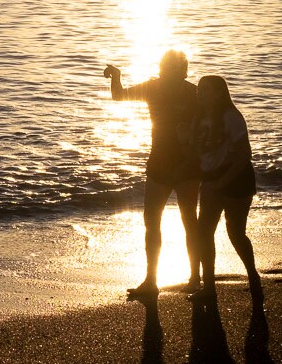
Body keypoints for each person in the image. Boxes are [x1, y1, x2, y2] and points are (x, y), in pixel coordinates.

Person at [104, 50, 201, 299]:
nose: (172, 73)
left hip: (187, 165)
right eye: (169, 68)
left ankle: (194, 278)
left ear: (183, 70)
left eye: (176, 69)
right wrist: (117, 75)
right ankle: (152, 280)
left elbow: (209, 125)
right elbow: (119, 96)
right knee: (153, 222)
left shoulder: (193, 94)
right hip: (161, 163)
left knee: (188, 220)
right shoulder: (155, 88)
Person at [192, 75, 261, 304]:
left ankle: (252, 275)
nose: (201, 94)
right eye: (199, 90)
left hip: (237, 180)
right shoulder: (199, 118)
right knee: (203, 233)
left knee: (236, 234)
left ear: (220, 93)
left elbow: (244, 156)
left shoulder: (232, 117)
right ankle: (209, 287)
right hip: (211, 181)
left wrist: (222, 182)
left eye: (207, 90)